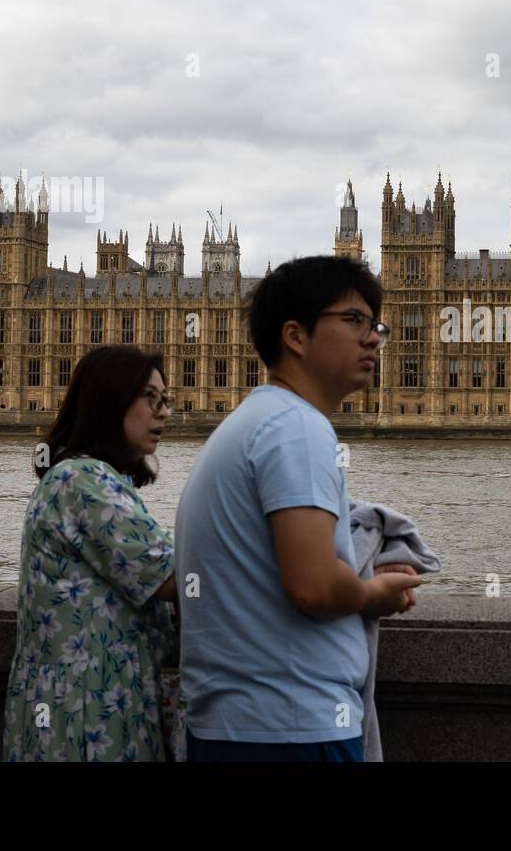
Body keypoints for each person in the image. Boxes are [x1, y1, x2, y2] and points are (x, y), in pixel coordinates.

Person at [175, 255, 422, 762]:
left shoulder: (251, 423)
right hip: (289, 730)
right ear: (296, 336)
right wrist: (374, 591)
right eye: (353, 321)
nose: (373, 338)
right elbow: (312, 586)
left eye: (375, 324)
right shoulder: (296, 428)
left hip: (236, 727)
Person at [3, 346, 178, 761]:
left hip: (86, 703)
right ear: (110, 400)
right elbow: (171, 576)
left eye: (165, 399)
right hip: (84, 715)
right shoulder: (83, 480)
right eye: (151, 398)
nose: (164, 412)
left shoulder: (88, 476)